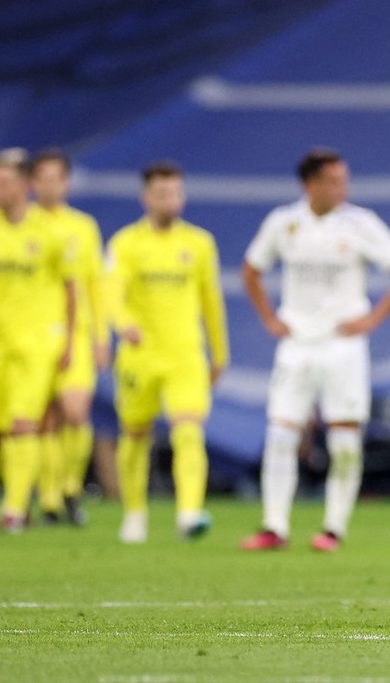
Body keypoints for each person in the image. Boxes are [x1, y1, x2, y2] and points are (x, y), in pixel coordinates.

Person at [240, 148, 390, 553]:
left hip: (342, 346)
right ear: (311, 184)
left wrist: (372, 320)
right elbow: (251, 270)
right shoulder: (283, 223)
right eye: (334, 181)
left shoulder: (360, 224)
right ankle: (274, 527)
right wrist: (271, 319)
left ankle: (333, 529)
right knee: (281, 435)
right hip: (297, 345)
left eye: (345, 180)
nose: (343, 188)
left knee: (343, 441)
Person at [105, 160, 229, 543]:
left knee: (189, 430)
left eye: (175, 192)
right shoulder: (126, 243)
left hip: (185, 355)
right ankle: (135, 513)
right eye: (161, 193)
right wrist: (123, 323)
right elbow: (110, 292)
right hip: (139, 356)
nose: (170, 200)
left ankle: (189, 512)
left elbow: (211, 301)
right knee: (135, 435)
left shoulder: (199, 243)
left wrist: (220, 353)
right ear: (146, 198)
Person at [0, 148, 75, 533]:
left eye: (5, 182)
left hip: (37, 343)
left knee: (24, 425)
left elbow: (71, 290)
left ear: (25, 185)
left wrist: (70, 341)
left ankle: (13, 509)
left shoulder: (51, 232)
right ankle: (20, 492)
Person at [31, 148, 110, 526]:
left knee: (76, 413)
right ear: (33, 183)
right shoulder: (24, 225)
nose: (50, 185)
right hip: (35, 334)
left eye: (56, 178)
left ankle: (71, 487)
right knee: (45, 418)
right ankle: (49, 499)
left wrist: (101, 335)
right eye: (43, 178)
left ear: (66, 182)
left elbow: (96, 283)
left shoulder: (83, 227)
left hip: (77, 333)